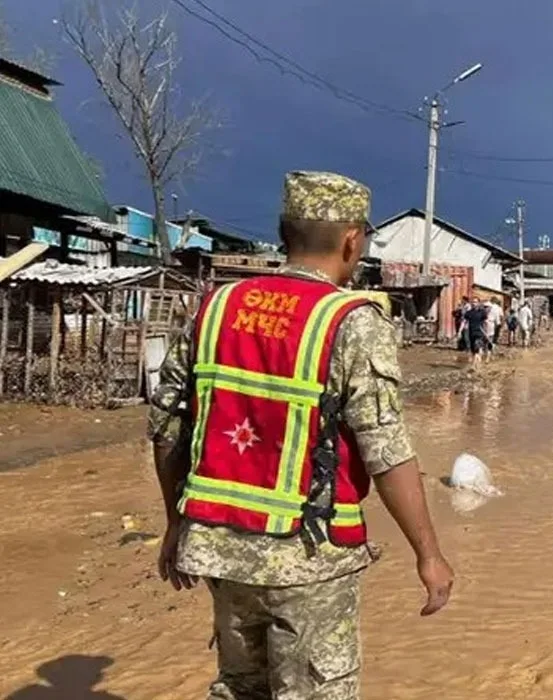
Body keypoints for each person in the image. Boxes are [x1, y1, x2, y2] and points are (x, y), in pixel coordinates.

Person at [146, 171, 453, 700]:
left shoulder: (214, 308)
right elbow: (387, 453)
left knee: (240, 688)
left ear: (284, 233)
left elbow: (167, 425)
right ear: (352, 241)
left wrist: (176, 525)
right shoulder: (352, 322)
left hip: (220, 548)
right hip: (311, 556)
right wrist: (428, 554)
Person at [462, 296, 491, 367]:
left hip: (480, 332)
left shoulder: (482, 312)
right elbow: (464, 321)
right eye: (473, 302)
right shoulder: (468, 313)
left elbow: (486, 322)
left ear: (478, 303)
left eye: (475, 302)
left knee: (476, 347)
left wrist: (487, 332)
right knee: (473, 349)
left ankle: (474, 365)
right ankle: (478, 362)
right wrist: (460, 331)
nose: (474, 303)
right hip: (471, 332)